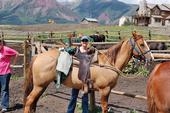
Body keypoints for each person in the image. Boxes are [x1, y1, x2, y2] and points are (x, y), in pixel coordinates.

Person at [67, 35, 95, 113]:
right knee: (73, 97)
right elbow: (69, 52)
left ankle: (85, 111)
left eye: (86, 41)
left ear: (87, 42)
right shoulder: (77, 50)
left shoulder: (90, 51)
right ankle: (70, 111)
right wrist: (67, 49)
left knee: (85, 98)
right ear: (81, 42)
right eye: (83, 41)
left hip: (85, 78)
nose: (84, 42)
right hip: (77, 77)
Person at [0, 40, 18, 113]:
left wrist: (13, 64)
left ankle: (4, 107)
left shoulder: (6, 49)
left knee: (4, 90)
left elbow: (17, 53)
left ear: (1, 44)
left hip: (5, 73)